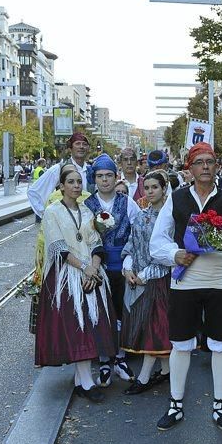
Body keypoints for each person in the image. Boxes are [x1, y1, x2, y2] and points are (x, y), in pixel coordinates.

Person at [150, 142, 222, 432]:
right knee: (181, 343)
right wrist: (174, 254)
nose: (205, 167)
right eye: (199, 162)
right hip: (184, 281)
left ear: (217, 167)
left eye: (210, 162)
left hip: (220, 281)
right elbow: (157, 241)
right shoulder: (175, 199)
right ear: (189, 167)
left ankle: (220, 404)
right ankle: (175, 403)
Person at [35, 165, 118, 403]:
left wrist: (93, 266)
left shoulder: (87, 210)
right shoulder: (52, 212)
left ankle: (83, 381)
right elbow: (58, 247)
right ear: (61, 186)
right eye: (70, 182)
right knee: (77, 328)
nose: (76, 186)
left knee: (90, 327)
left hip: (90, 273)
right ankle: (86, 382)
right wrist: (85, 268)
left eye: (79, 182)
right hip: (66, 276)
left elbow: (95, 242)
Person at [84, 154, 141, 387]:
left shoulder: (127, 202)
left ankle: (120, 357)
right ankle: (104, 359)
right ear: (94, 179)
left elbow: (137, 233)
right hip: (99, 266)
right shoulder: (87, 205)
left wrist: (131, 262)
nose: (105, 180)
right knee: (100, 313)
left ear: (115, 177)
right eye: (100, 176)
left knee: (121, 312)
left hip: (122, 265)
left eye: (109, 176)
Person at [121, 171, 172, 394]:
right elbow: (132, 242)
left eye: (155, 187)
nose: (150, 192)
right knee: (149, 327)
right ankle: (167, 371)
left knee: (156, 329)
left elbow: (172, 251)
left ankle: (143, 378)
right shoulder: (141, 216)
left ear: (164, 188)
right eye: (148, 187)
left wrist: (148, 273)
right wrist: (128, 267)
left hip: (162, 280)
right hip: (139, 278)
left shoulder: (172, 217)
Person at [28, 133, 92, 218]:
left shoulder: (91, 170)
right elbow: (33, 191)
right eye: (77, 144)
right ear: (70, 148)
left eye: (84, 144)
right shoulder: (59, 168)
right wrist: (46, 214)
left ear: (88, 148)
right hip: (66, 222)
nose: (81, 147)